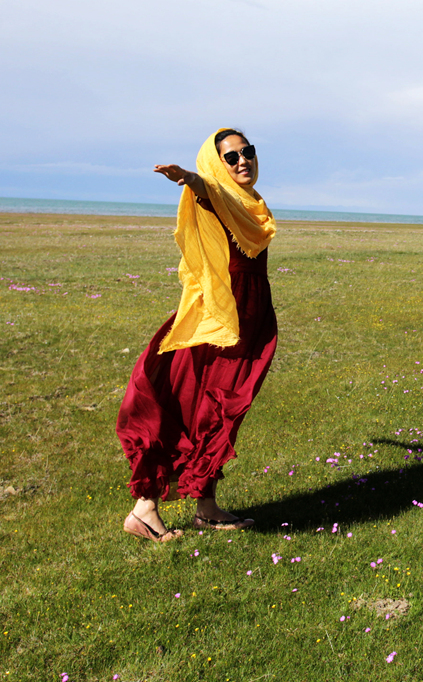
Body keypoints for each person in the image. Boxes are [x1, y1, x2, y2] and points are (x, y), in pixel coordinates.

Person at [116, 128, 278, 542]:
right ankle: (145, 509)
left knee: (221, 407)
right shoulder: (218, 196)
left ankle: (205, 506)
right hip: (221, 318)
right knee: (201, 404)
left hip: (250, 316)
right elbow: (210, 193)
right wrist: (191, 178)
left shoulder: (252, 203)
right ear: (215, 163)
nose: (243, 160)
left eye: (248, 152)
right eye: (231, 157)